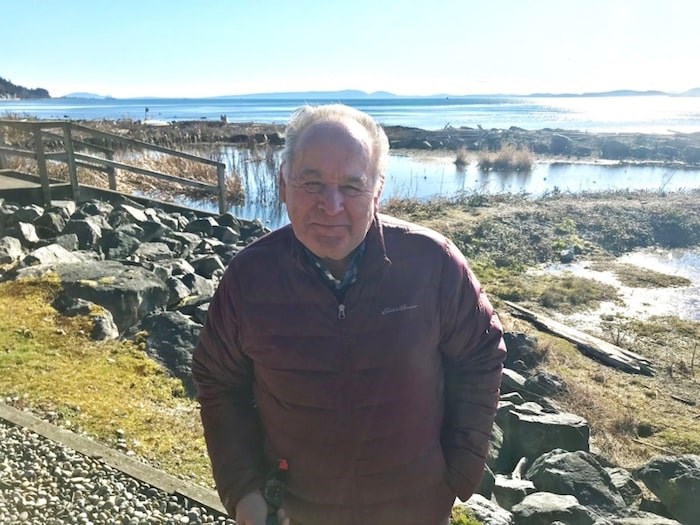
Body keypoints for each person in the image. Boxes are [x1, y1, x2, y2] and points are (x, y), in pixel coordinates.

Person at [192, 104, 506, 525]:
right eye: (312, 182)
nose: (331, 204)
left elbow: (481, 352)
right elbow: (218, 382)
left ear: (378, 190)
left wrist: (456, 473)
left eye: (352, 187)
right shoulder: (250, 278)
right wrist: (244, 490)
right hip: (296, 512)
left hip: (414, 511)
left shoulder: (432, 263)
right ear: (283, 184)